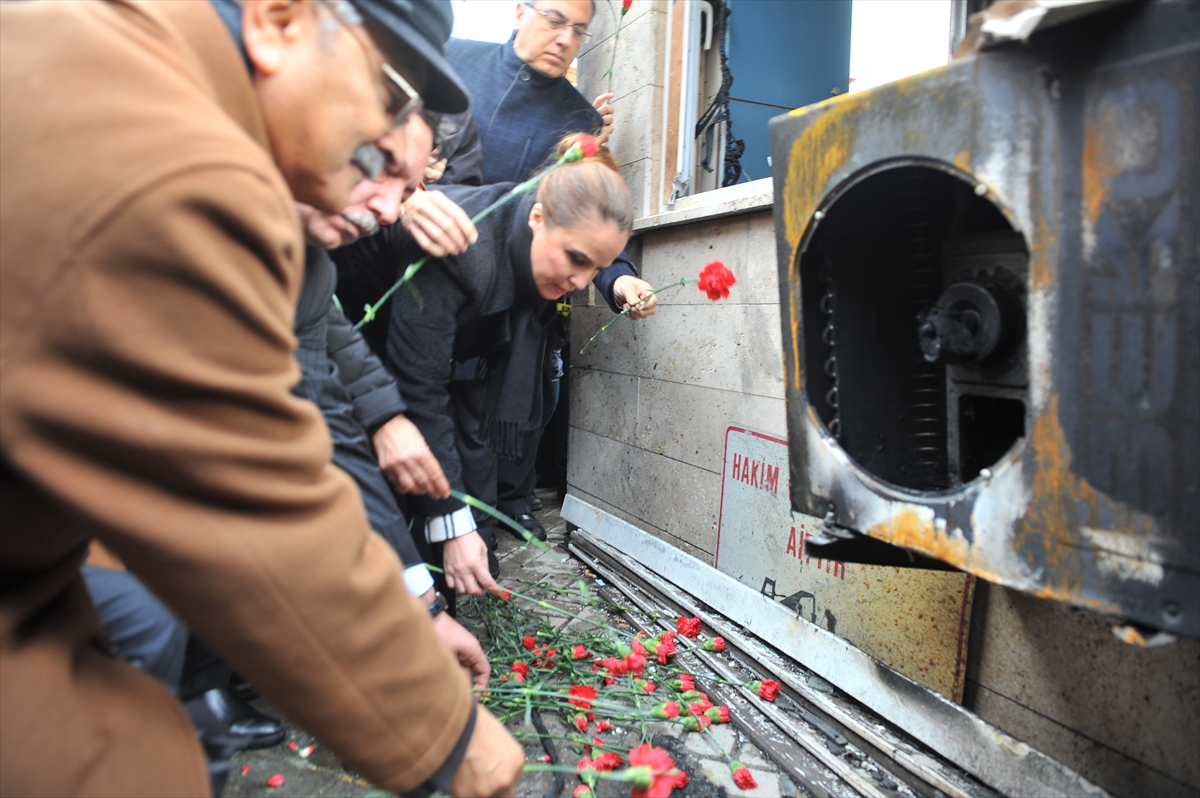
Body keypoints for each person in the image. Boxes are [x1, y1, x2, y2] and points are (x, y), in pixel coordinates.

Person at [0, 1, 522, 796]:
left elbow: (321, 380)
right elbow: (258, 500)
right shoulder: (173, 161)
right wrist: (449, 741)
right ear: (279, 23)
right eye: (387, 105)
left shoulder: (116, 58)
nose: (390, 205)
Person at [335, 135, 631, 611]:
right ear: (537, 217)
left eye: (595, 267)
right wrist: (452, 523)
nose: (579, 282)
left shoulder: (531, 253)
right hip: (331, 334)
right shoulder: (462, 249)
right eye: (576, 258)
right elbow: (419, 394)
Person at [433, 0, 656, 540]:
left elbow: (587, 216)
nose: (565, 38)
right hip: (434, 269)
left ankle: (504, 506)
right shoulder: (452, 58)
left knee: (513, 408)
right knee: (429, 400)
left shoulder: (579, 119)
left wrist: (617, 277)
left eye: (579, 30)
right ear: (518, 11)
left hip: (524, 292)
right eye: (555, 20)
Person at [293, 108, 496, 680]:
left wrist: (425, 609)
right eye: (384, 173)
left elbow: (333, 399)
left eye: (411, 189)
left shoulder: (306, 265)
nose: (390, 209)